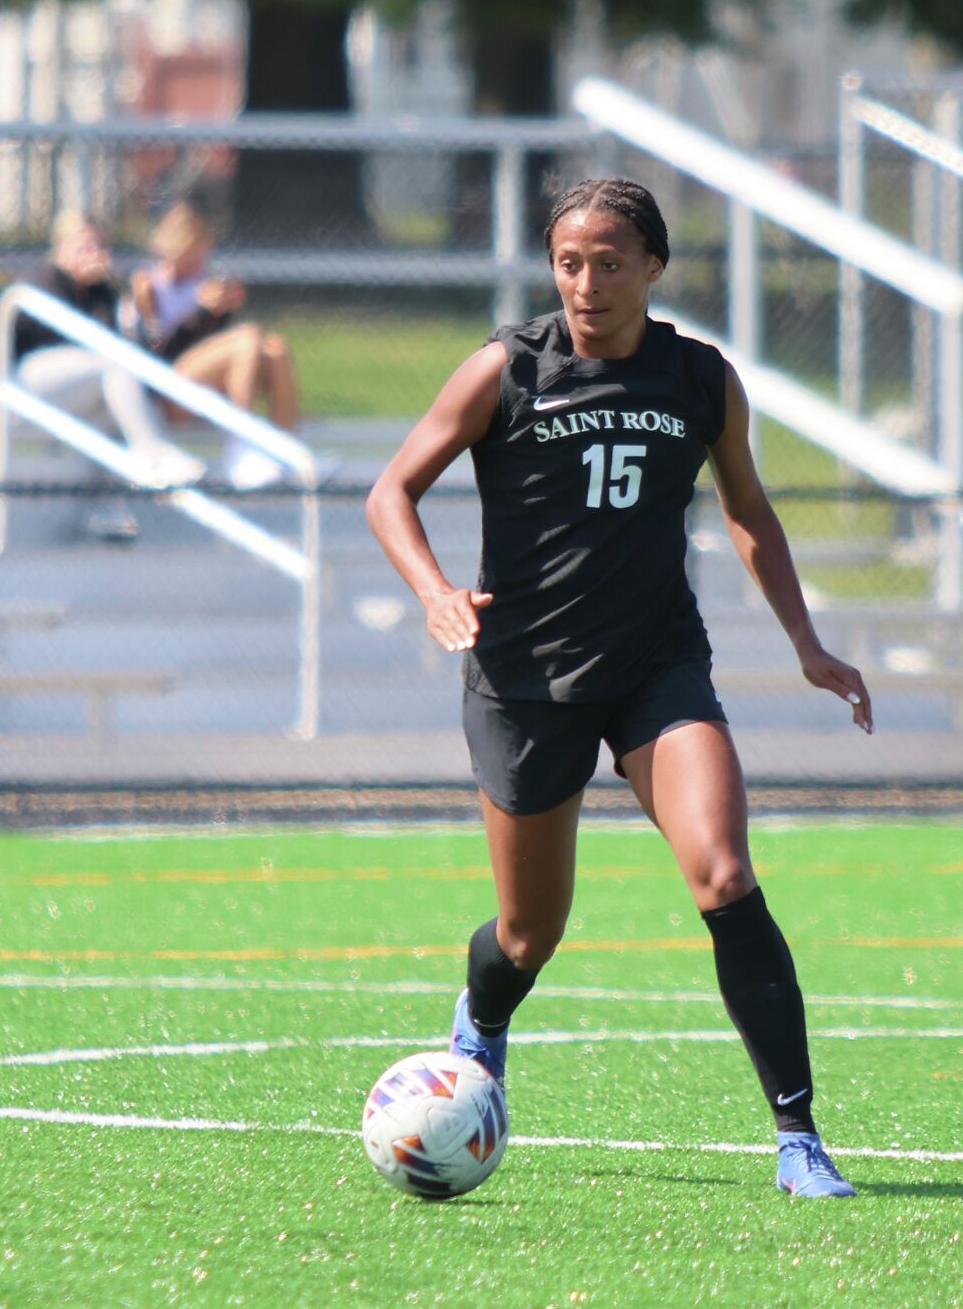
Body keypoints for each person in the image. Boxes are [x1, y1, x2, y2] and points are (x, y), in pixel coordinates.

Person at [365, 177, 874, 1200]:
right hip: (527, 680)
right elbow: (392, 490)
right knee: (527, 934)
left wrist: (809, 643)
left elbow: (748, 510)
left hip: (656, 668)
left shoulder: (700, 378)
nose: (585, 282)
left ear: (652, 267)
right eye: (567, 262)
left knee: (725, 875)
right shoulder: (505, 370)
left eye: (607, 261)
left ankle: (799, 1139)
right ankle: (484, 1015)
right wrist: (434, 592)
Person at [0, 209, 204, 539]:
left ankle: (101, 508)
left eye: (98, 246)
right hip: (11, 384)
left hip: (73, 387)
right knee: (114, 364)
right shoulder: (42, 282)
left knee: (113, 407)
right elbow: (44, 340)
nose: (92, 254)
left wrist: (124, 304)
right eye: (83, 245)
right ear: (62, 245)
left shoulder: (102, 293)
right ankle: (151, 453)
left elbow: (134, 352)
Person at [129, 202, 303, 490]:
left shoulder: (203, 283)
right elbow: (156, 348)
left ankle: (287, 452)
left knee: (274, 349)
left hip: (207, 384)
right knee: (248, 337)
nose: (201, 260)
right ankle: (240, 447)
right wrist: (197, 312)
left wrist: (222, 311)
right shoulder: (149, 285)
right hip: (169, 389)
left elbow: (220, 347)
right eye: (194, 252)